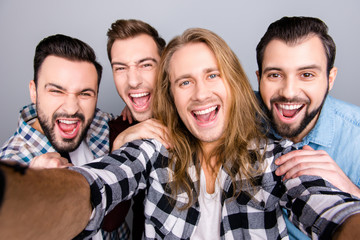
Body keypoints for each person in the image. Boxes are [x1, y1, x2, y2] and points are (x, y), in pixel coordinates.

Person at [1, 28, 360, 239]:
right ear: (170, 94)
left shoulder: (275, 156)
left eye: (212, 75)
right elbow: (96, 184)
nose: (201, 94)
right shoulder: (153, 149)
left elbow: (331, 212)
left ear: (234, 84)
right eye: (185, 82)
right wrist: (36, 193)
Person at [0, 34, 129, 240]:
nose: (71, 109)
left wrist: (131, 120)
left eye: (85, 94)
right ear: (34, 92)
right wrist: (34, 193)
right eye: (57, 91)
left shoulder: (99, 123)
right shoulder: (13, 162)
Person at [255, 16, 360, 239]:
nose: (289, 91)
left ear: (330, 79)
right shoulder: (234, 114)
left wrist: (353, 191)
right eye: (275, 75)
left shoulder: (356, 136)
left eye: (307, 75)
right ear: (259, 78)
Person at [101, 19, 168, 240]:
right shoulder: (120, 128)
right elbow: (110, 222)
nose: (133, 81)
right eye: (120, 68)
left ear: (165, 65)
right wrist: (122, 141)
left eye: (145, 65)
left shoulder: (199, 116)